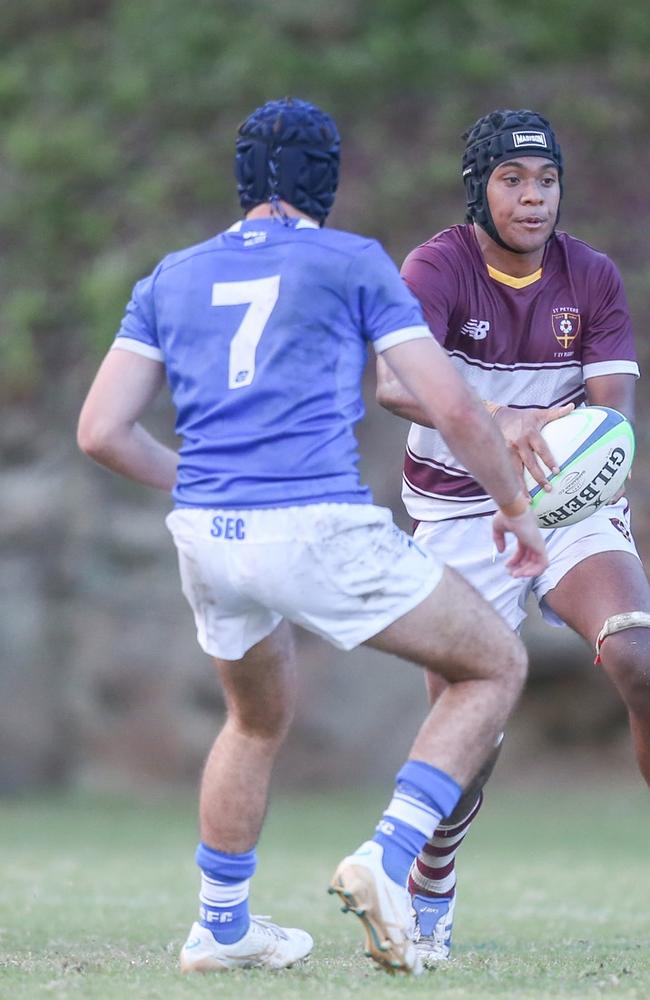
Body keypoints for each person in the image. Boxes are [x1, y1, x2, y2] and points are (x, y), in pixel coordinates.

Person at [77, 97, 548, 978]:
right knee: (494, 665)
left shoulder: (169, 276)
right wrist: (515, 512)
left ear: (244, 179)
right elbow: (449, 404)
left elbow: (101, 431)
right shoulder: (350, 262)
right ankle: (388, 857)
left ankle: (221, 926)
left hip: (210, 537)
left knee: (252, 718)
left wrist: (201, 480)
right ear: (326, 179)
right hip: (316, 524)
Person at [376, 107, 650, 966]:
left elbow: (615, 414)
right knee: (470, 746)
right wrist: (494, 415)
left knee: (641, 657)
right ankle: (434, 879)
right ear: (479, 189)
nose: (533, 198)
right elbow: (391, 383)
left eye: (547, 180)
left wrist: (577, 453)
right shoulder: (438, 267)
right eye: (512, 180)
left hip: (568, 506)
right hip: (459, 513)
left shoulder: (592, 276)